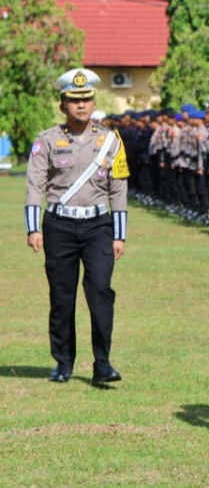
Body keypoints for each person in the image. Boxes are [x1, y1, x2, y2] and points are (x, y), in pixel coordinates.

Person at [24, 68, 129, 384]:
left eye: (86, 99)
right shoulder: (47, 141)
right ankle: (63, 362)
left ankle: (103, 363)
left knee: (100, 291)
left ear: (93, 102)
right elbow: (34, 185)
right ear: (63, 105)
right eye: (74, 100)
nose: (81, 105)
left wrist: (119, 234)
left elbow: (119, 188)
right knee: (62, 296)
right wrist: (33, 228)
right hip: (59, 226)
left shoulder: (110, 140)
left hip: (98, 226)